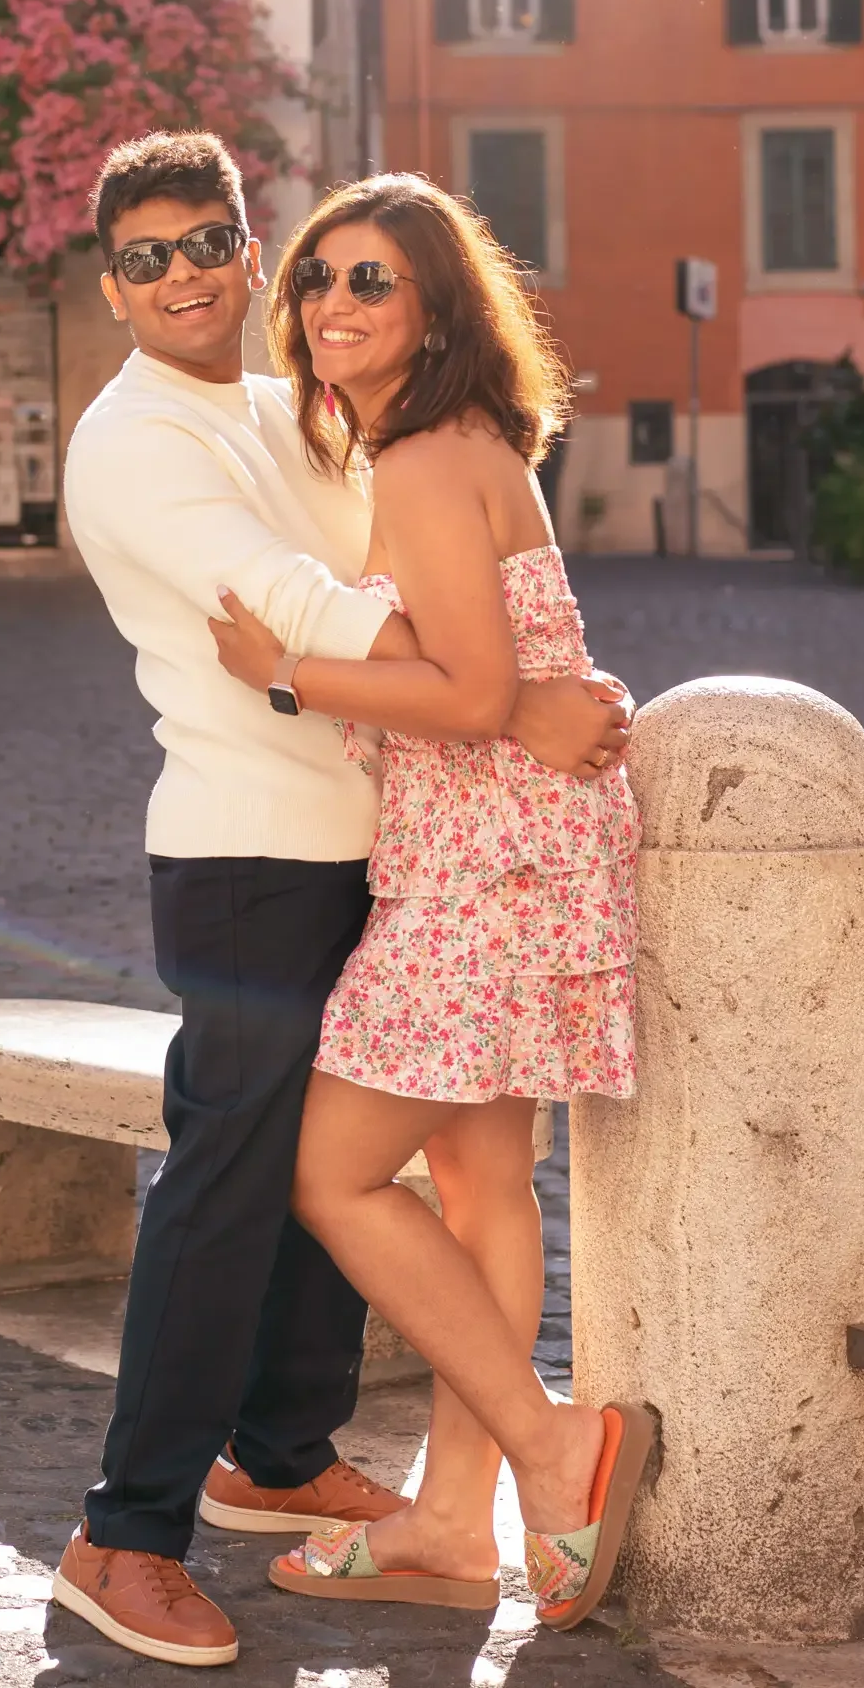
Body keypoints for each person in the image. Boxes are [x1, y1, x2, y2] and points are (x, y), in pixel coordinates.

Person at [54, 131, 635, 1668]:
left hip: (400, 845)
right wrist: (516, 701)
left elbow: (434, 560)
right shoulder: (129, 443)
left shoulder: (289, 412)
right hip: (250, 857)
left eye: (210, 244)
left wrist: (490, 676)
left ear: (246, 252)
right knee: (239, 1185)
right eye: (143, 256)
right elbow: (306, 609)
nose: (184, 274)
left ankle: (283, 1446)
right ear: (109, 287)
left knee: (409, 1180)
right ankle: (124, 1535)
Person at [209, 171, 652, 1633]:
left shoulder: (420, 458)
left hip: (489, 862)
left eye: (371, 282)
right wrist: (521, 709)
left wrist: (285, 668)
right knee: (475, 1184)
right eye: (319, 278)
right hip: (506, 839)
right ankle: (454, 1523)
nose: (333, 302)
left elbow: (466, 690)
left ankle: (550, 1449)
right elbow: (501, 683)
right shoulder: (441, 444)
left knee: (328, 1170)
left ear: (435, 310)